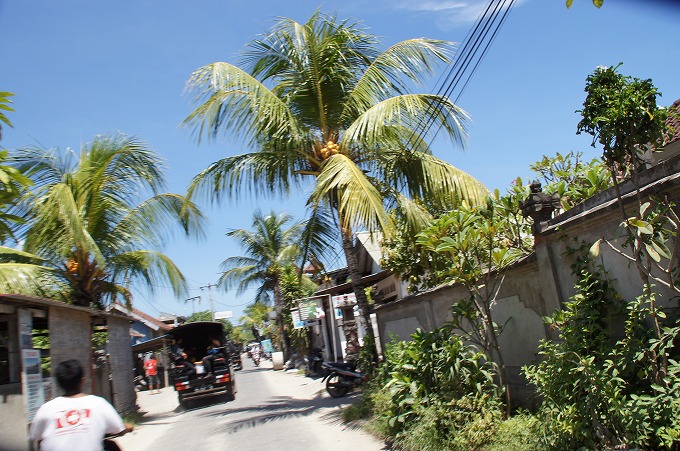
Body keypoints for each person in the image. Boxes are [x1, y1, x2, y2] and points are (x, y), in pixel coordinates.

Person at [29, 359, 133, 451]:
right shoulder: (98, 403)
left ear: (58, 383)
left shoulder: (46, 408)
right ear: (82, 381)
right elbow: (119, 429)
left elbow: (35, 437)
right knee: (110, 446)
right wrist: (128, 427)